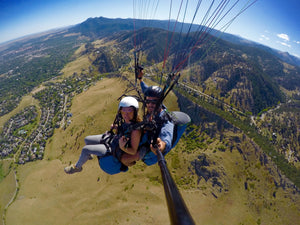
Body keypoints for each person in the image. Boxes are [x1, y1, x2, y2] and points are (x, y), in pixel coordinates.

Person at [64, 96, 142, 174]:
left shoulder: (136, 130)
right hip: (114, 140)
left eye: (129, 111)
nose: (126, 114)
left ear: (135, 112)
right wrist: (117, 128)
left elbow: (133, 151)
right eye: (123, 111)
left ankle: (77, 167)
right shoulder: (126, 122)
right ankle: (88, 156)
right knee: (87, 139)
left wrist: (123, 147)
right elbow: (124, 132)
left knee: (85, 149)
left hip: (114, 149)